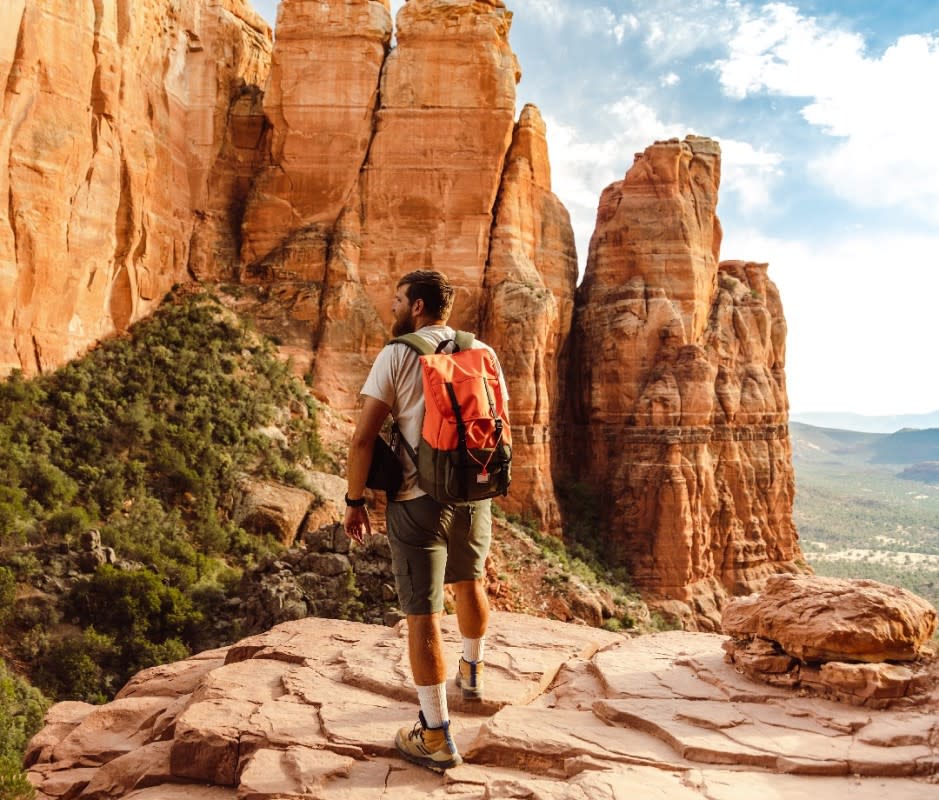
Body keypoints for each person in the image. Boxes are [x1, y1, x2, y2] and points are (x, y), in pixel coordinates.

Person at [343, 270, 505, 772]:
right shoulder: (483, 350)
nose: (391, 307)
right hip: (473, 491)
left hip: (418, 501)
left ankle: (435, 736)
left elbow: (363, 437)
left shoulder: (398, 354)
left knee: (423, 615)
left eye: (396, 300)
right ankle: (473, 671)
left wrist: (355, 499)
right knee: (469, 580)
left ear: (416, 307)